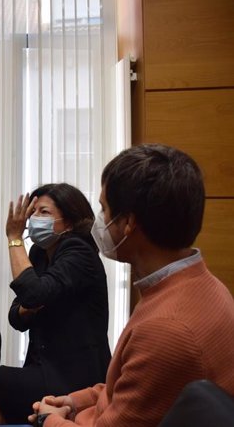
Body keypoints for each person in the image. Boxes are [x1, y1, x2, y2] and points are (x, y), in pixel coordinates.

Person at [30, 144, 234, 427]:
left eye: (104, 209)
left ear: (127, 223)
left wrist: (49, 420)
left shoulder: (166, 330)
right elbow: (133, 388)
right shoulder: (201, 285)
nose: (98, 222)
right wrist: (75, 401)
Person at [0, 183, 111, 424]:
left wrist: (14, 238)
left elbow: (33, 295)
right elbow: (16, 316)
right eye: (33, 212)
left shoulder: (79, 251)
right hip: (43, 368)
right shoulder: (39, 253)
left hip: (76, 379)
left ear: (69, 222)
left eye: (44, 212)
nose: (34, 219)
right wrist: (27, 307)